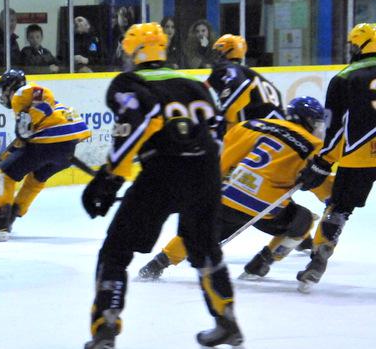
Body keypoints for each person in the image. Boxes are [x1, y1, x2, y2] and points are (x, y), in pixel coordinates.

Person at [81, 22, 245, 349]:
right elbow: (218, 129)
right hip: (205, 174)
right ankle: (227, 322)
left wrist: (109, 177)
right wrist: (207, 170)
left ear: (134, 52)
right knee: (204, 250)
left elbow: (142, 123)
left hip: (162, 173)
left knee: (116, 250)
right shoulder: (196, 85)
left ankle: (106, 326)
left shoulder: (129, 83)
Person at [138, 96, 330, 281]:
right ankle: (262, 262)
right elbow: (324, 188)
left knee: (200, 231)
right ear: (310, 121)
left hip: (229, 195)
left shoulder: (252, 125)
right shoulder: (314, 145)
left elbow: (223, 160)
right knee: (303, 219)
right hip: (265, 207)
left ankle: (157, 264)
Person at [293, 23, 376, 292]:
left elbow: (334, 127)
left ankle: (318, 259)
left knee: (340, 208)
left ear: (361, 46)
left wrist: (322, 162)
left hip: (359, 156)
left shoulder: (344, 78)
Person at [0, 69, 90, 241]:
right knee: (36, 179)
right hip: (67, 150)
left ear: (10, 88)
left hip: (49, 142)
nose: (2, 96)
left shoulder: (22, 94)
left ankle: (1, 221)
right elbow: (22, 142)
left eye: (3, 91)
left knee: (6, 175)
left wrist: (32, 117)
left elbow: (42, 93)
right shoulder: (29, 107)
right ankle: (12, 216)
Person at [207, 34, 285, 130]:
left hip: (260, 129)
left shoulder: (229, 67)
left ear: (229, 51)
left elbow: (239, 85)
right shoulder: (251, 74)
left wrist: (219, 117)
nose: (216, 57)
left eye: (219, 52)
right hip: (279, 127)